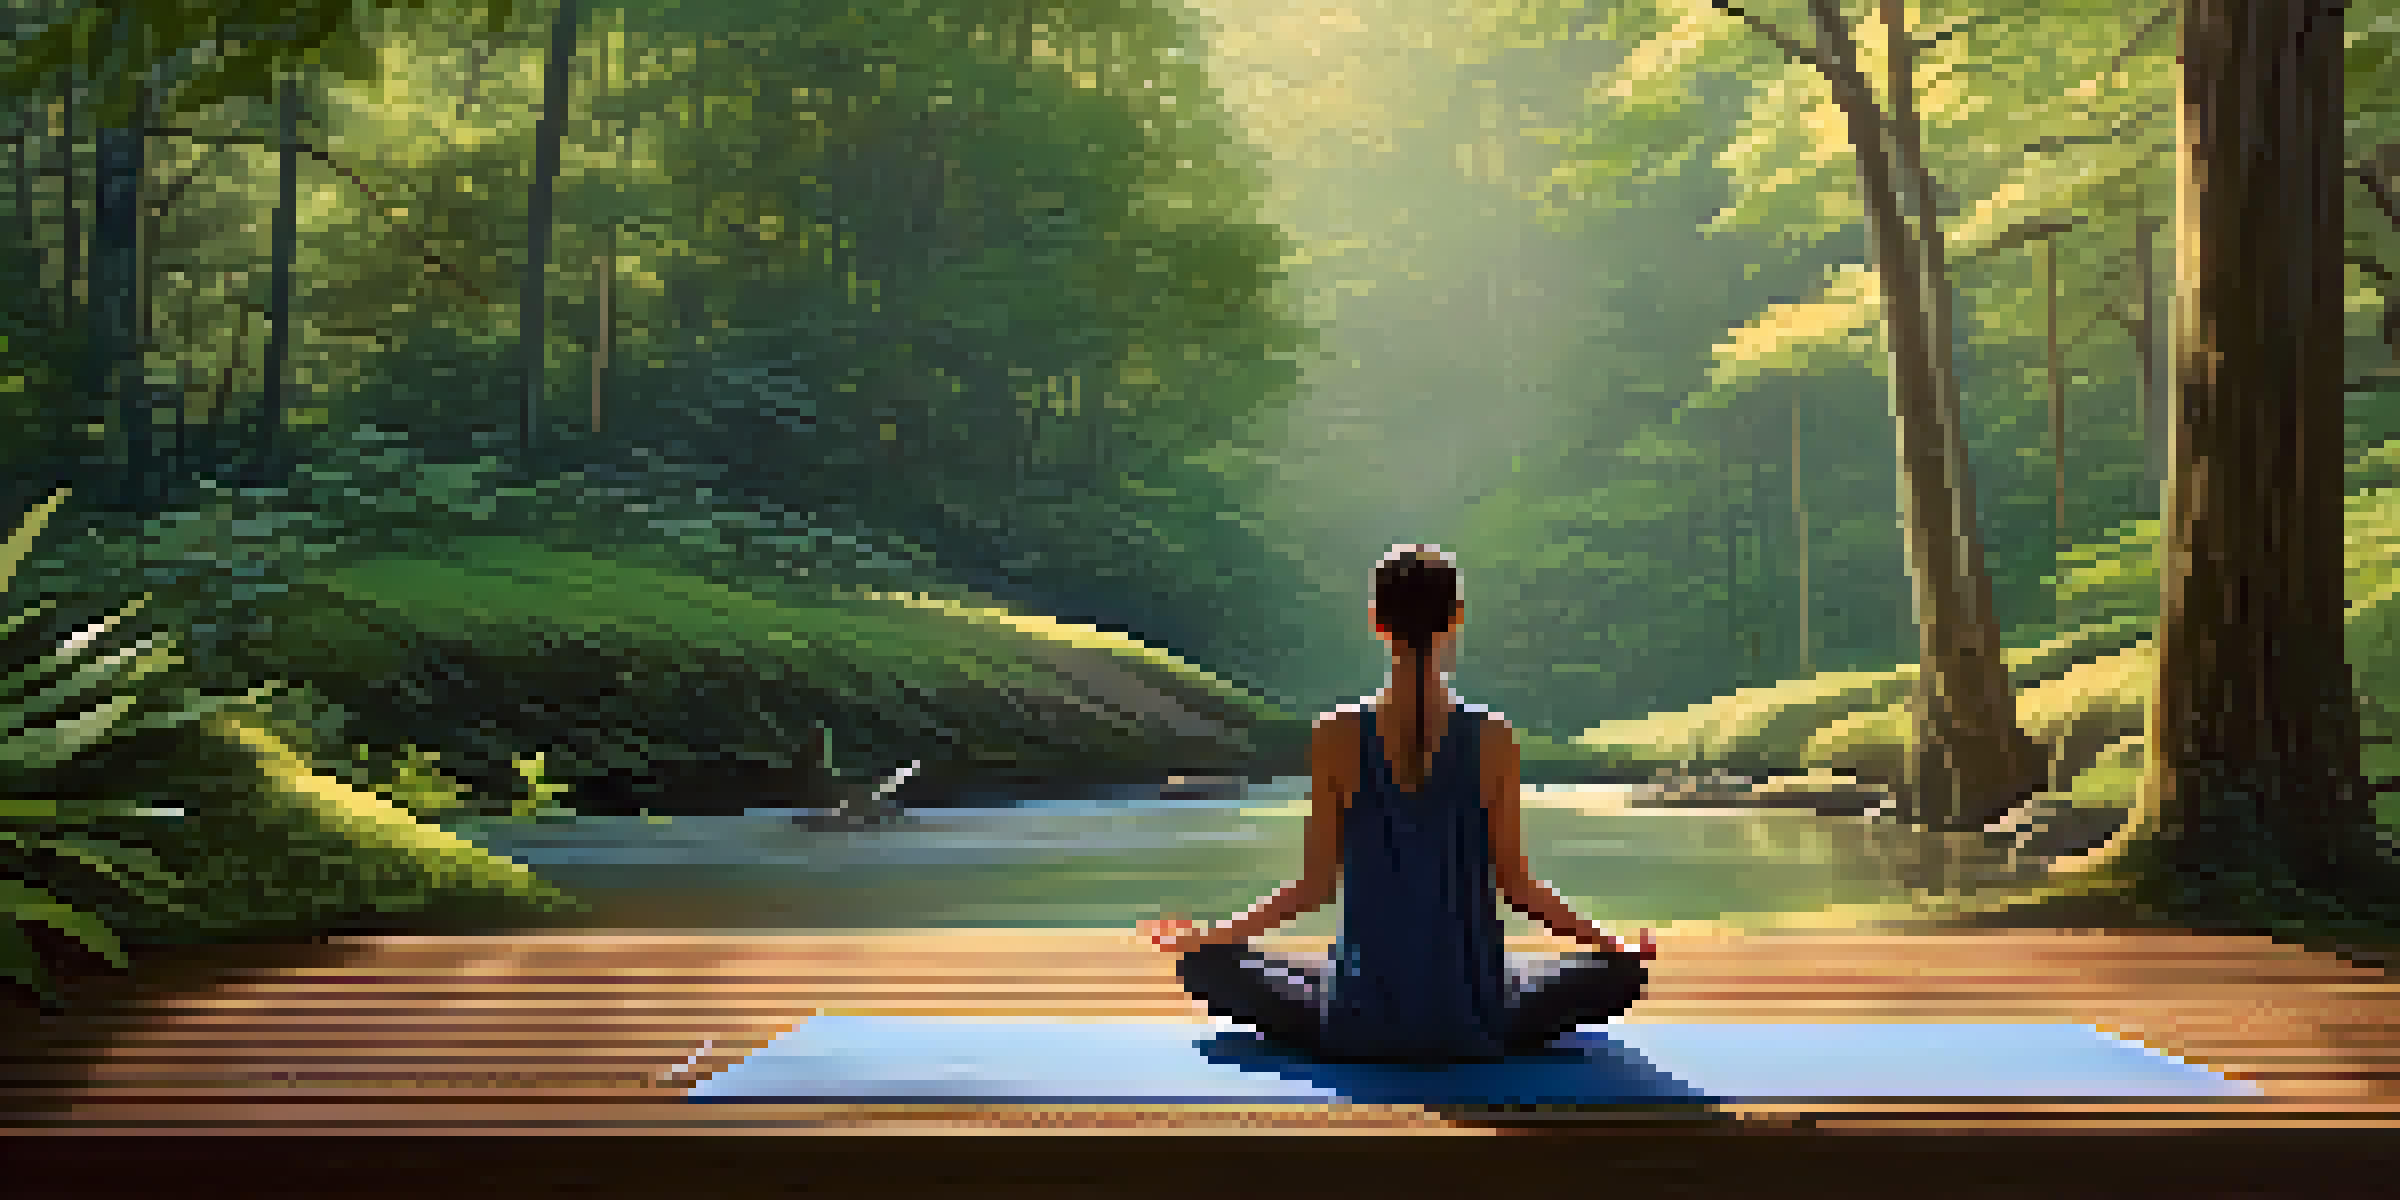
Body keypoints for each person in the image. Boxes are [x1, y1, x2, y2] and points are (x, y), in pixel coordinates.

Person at [1136, 544, 1653, 1062]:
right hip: (1472, 1016)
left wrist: (1213, 938)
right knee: (1622, 975)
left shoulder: (1336, 734)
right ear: (1456, 620)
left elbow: (1311, 890)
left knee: (1204, 967)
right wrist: (1610, 942)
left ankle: (1338, 985)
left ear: (1377, 623)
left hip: (1360, 1021)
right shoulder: (1494, 737)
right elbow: (1518, 891)